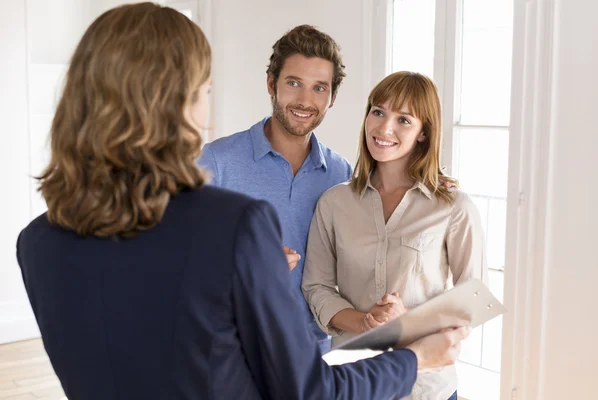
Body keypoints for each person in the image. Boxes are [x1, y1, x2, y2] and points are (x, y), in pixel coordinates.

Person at [15, 4, 470, 400]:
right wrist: (414, 357)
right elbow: (306, 392)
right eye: (205, 90)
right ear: (181, 102)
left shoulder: (36, 244)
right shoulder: (232, 222)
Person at [302, 71, 489, 400]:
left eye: (404, 119)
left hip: (425, 388)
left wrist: (406, 324)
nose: (384, 128)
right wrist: (364, 323)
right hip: (353, 382)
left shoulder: (453, 207)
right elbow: (316, 286)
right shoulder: (334, 202)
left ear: (423, 133)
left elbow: (472, 301)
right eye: (378, 112)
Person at [197, 24, 353, 352]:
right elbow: (181, 255)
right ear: (271, 83)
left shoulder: (341, 174)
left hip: (313, 356)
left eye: (319, 88)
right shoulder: (217, 161)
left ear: (333, 98)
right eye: (294, 83)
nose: (305, 100)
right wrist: (249, 262)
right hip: (234, 351)